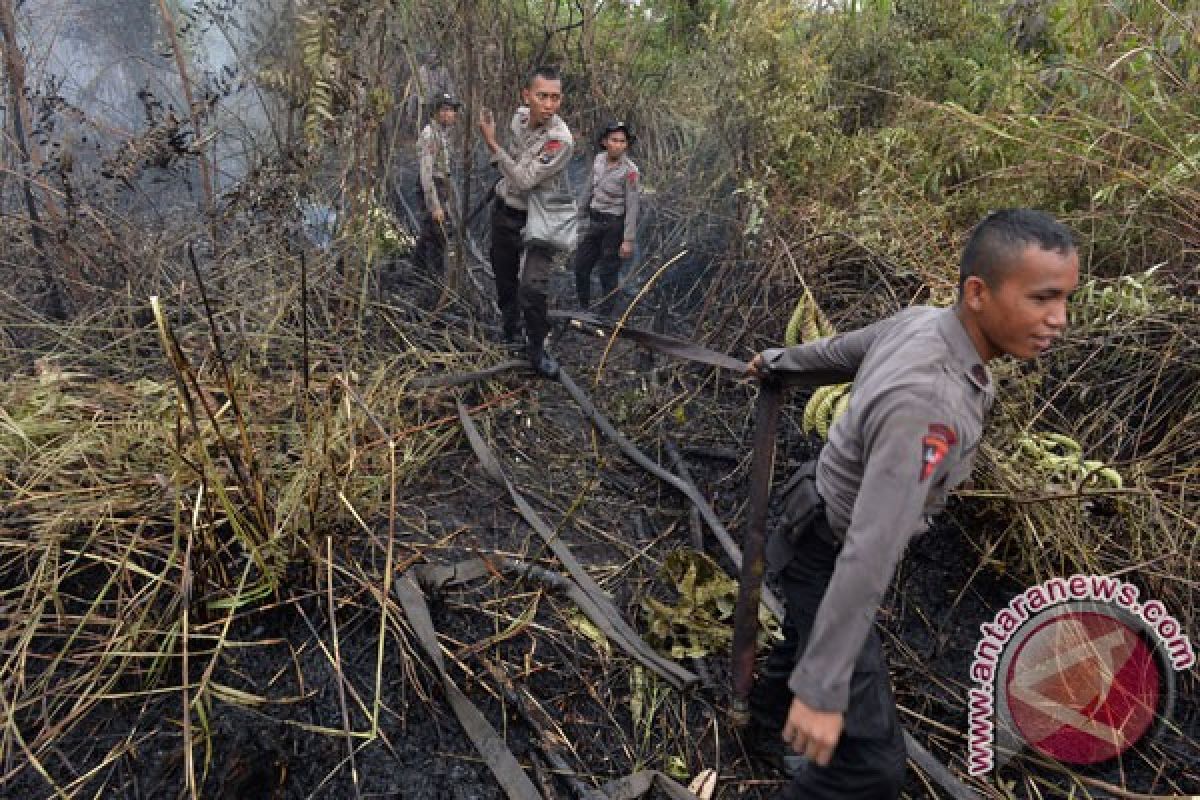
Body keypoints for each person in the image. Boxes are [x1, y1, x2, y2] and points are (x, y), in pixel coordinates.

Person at [745, 209, 1080, 799]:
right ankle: (796, 732)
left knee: (803, 627)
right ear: (978, 292)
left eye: (1064, 299)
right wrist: (823, 692)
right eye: (1042, 299)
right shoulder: (933, 400)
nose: (1059, 319)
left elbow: (841, 351)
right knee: (869, 770)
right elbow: (870, 550)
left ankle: (765, 729)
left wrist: (776, 363)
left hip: (809, 520)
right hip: (830, 550)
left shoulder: (923, 322)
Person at [478, 66, 574, 378]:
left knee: (533, 287)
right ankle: (510, 327)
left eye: (555, 98)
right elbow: (514, 165)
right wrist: (502, 153)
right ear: (527, 96)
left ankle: (537, 345)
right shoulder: (518, 118)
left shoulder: (560, 140)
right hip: (506, 211)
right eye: (542, 96)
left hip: (540, 219)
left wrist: (492, 144)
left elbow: (522, 179)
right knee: (504, 275)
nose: (549, 104)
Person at [573, 120, 640, 315]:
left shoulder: (630, 171)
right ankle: (583, 307)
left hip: (614, 226)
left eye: (622, 141)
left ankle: (604, 316)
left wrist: (628, 240)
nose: (618, 145)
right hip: (594, 222)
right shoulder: (599, 160)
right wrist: (580, 214)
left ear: (626, 144)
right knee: (581, 267)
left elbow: (632, 206)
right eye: (614, 140)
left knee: (608, 273)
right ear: (605, 142)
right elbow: (589, 188)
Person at [412, 92, 460, 274]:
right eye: (445, 110)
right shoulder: (430, 135)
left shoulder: (442, 134)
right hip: (432, 187)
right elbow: (426, 174)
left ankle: (418, 271)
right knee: (438, 233)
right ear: (435, 112)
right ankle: (433, 277)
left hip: (440, 186)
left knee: (429, 233)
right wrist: (435, 205)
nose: (450, 114)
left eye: (452, 110)